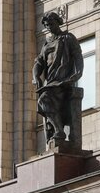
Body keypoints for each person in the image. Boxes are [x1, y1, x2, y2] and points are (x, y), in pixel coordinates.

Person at [32, 11, 85, 147]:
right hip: (50, 83)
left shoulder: (68, 38)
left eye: (51, 24)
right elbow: (39, 63)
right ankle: (57, 129)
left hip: (63, 82)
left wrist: (76, 75)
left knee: (43, 100)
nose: (49, 27)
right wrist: (36, 76)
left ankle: (59, 131)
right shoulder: (46, 44)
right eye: (47, 25)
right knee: (43, 100)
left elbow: (78, 56)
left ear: (57, 23)